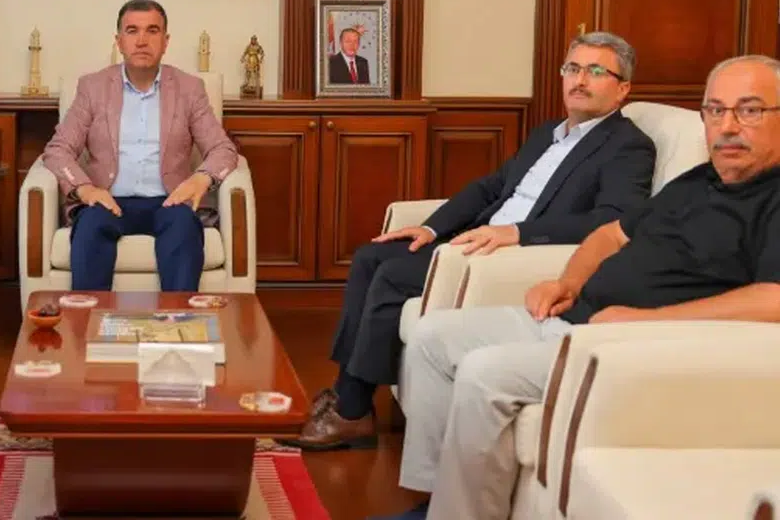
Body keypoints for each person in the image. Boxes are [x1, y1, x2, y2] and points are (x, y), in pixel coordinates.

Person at [384, 54, 780, 520]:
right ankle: (437, 500)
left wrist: (644, 321)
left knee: (483, 371)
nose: (728, 126)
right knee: (431, 336)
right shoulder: (699, 180)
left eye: (750, 110)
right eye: (715, 110)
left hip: (632, 344)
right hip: (576, 317)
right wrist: (566, 282)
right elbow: (610, 234)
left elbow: (773, 299)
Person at [288, 31, 656, 452]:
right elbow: (491, 187)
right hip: (476, 239)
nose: (580, 80)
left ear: (622, 88)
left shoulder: (628, 146)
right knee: (371, 256)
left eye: (595, 71)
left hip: (510, 254)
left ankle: (352, 412)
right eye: (572, 68)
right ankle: (346, 393)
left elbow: (611, 221)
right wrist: (431, 228)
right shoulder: (547, 134)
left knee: (392, 275)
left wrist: (517, 233)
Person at [42, 0, 239, 292]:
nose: (142, 41)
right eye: (132, 31)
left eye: (152, 31)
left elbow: (223, 149)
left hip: (169, 201)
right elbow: (57, 150)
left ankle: (179, 318)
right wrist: (85, 189)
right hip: (108, 201)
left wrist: (202, 178)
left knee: (183, 227)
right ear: (119, 41)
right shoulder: (93, 88)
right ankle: (87, 319)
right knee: (91, 226)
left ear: (166, 41)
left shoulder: (189, 89)